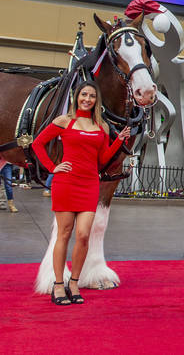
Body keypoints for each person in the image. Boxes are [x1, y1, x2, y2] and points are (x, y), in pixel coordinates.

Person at [31, 81, 130, 306]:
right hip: (66, 182)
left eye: (92, 96)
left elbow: (103, 160)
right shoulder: (64, 121)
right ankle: (58, 284)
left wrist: (119, 142)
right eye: (83, 94)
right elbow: (38, 144)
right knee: (63, 234)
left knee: (84, 235)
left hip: (89, 184)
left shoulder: (101, 126)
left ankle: (74, 282)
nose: (87, 99)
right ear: (77, 97)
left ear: (96, 101)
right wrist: (52, 167)